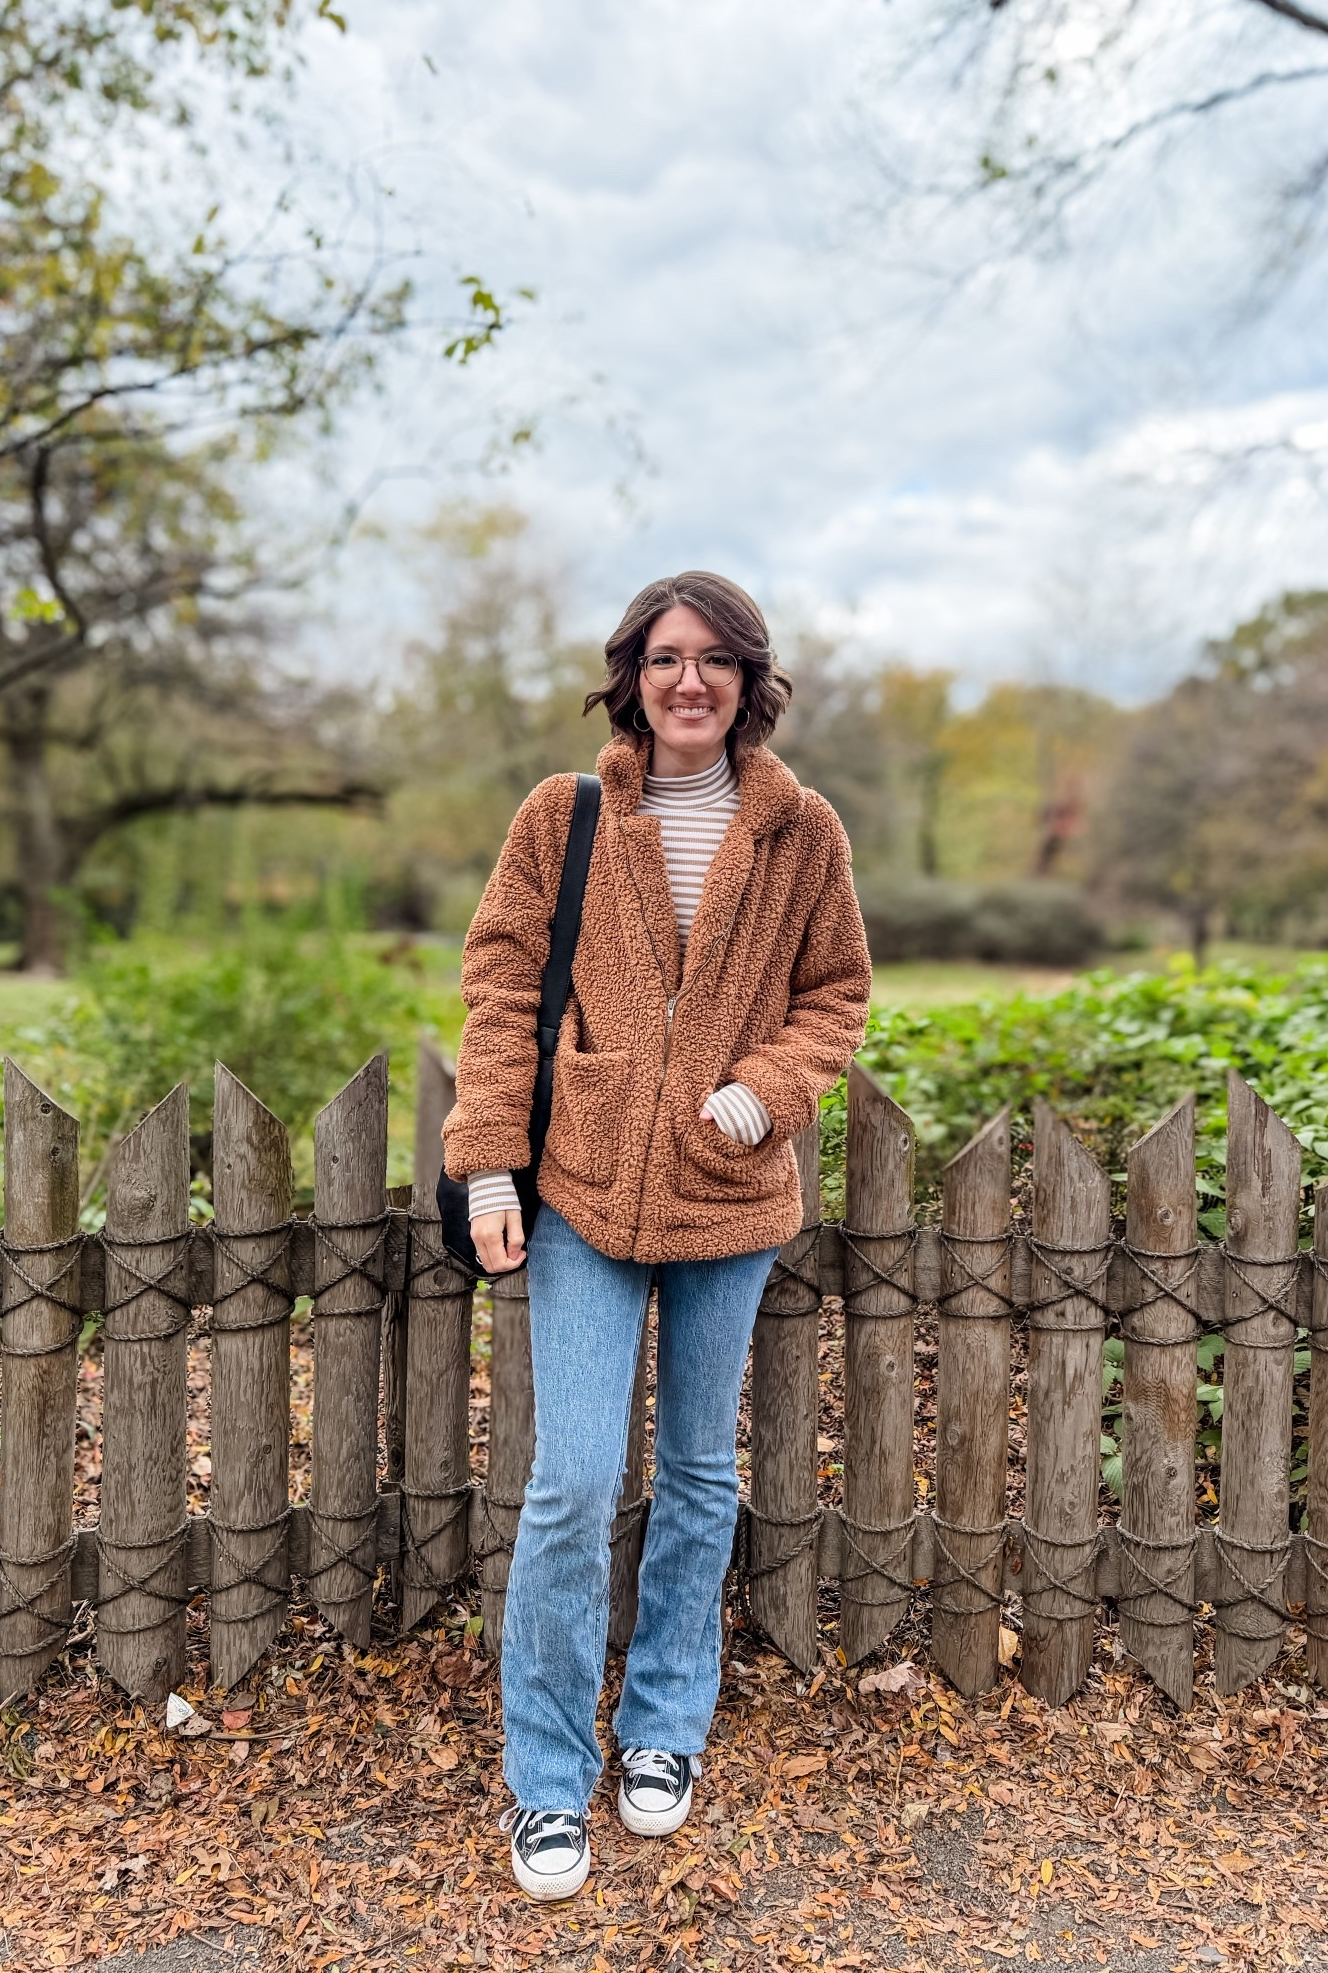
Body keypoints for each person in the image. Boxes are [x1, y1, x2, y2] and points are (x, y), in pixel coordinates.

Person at [442, 572, 871, 1901]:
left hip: (729, 1201)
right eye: (667, 659)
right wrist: (488, 1165)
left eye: (718, 661)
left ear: (752, 679)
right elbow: (503, 987)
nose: (692, 682)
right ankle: (549, 1779)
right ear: (630, 675)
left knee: (694, 1471)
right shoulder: (562, 817)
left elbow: (840, 990)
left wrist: (769, 1091)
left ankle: (667, 1729)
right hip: (576, 1197)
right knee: (573, 1480)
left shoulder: (803, 833)